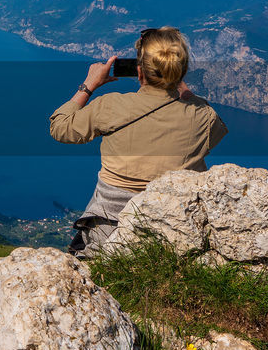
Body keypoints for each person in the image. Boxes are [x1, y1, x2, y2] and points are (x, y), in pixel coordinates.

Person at [49, 26, 227, 257]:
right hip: (175, 232)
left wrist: (89, 84)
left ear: (139, 71)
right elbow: (212, 128)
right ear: (180, 71)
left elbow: (59, 127)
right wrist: (180, 86)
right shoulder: (203, 116)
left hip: (108, 233)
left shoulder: (111, 106)